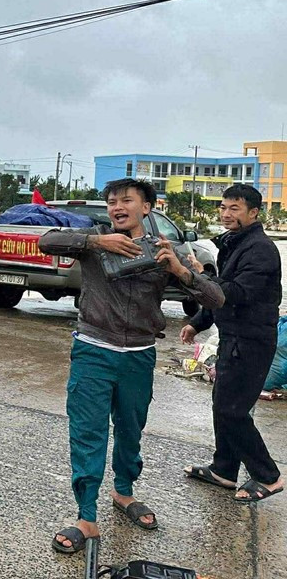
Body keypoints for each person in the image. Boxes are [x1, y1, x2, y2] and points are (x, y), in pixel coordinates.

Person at [38, 178, 224, 555]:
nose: (117, 207)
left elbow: (215, 298)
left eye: (126, 201)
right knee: (88, 433)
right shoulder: (95, 242)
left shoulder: (161, 250)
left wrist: (179, 269)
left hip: (139, 355)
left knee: (130, 431)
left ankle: (124, 494)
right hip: (93, 351)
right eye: (111, 202)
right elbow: (46, 241)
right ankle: (86, 517)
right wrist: (96, 241)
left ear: (147, 207)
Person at [181, 184, 285, 503]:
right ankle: (224, 469)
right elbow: (221, 299)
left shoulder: (261, 249)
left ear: (254, 213)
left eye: (234, 209)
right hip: (233, 337)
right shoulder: (233, 242)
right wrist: (197, 323)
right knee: (222, 405)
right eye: (223, 208)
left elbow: (235, 293)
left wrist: (199, 277)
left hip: (251, 341)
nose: (226, 214)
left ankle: (269, 476)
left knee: (233, 410)